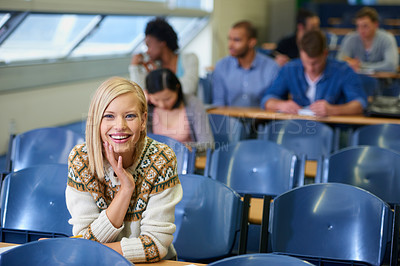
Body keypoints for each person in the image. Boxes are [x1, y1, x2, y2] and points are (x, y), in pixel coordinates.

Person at [66, 77, 182, 263]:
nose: (120, 126)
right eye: (109, 116)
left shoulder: (161, 158)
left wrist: (84, 247)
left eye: (130, 116)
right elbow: (83, 239)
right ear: (97, 121)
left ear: (143, 120)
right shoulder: (81, 160)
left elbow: (156, 245)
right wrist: (125, 190)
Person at [262, 30, 367, 117]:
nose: (310, 68)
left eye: (315, 63)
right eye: (306, 63)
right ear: (301, 54)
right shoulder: (290, 68)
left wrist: (333, 110)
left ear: (325, 54)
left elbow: (360, 104)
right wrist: (281, 105)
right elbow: (267, 99)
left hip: (332, 129)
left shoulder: (343, 70)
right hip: (297, 127)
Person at [212, 20, 279, 107]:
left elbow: (274, 100)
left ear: (252, 42)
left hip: (262, 119)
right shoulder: (221, 66)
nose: (230, 45)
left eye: (237, 40)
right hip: (228, 119)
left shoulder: (272, 68)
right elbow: (218, 104)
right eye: (229, 39)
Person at [145, 68, 214, 151]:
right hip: (156, 162)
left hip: (188, 160)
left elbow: (209, 144)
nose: (162, 105)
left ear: (177, 88)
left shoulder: (193, 104)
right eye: (156, 100)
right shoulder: (147, 108)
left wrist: (185, 147)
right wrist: (141, 105)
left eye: (167, 99)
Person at [129, 17, 199, 95]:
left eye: (149, 45)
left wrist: (159, 76)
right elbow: (141, 94)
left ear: (162, 42)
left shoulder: (189, 58)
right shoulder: (153, 66)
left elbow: (189, 89)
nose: (147, 51)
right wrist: (134, 67)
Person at [337, 7, 399, 73]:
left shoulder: (387, 38)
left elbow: (391, 65)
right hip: (356, 80)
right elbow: (340, 61)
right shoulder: (350, 38)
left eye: (365, 26)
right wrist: (349, 63)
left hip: (381, 81)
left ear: (375, 25)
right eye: (358, 26)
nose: (361, 30)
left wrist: (361, 66)